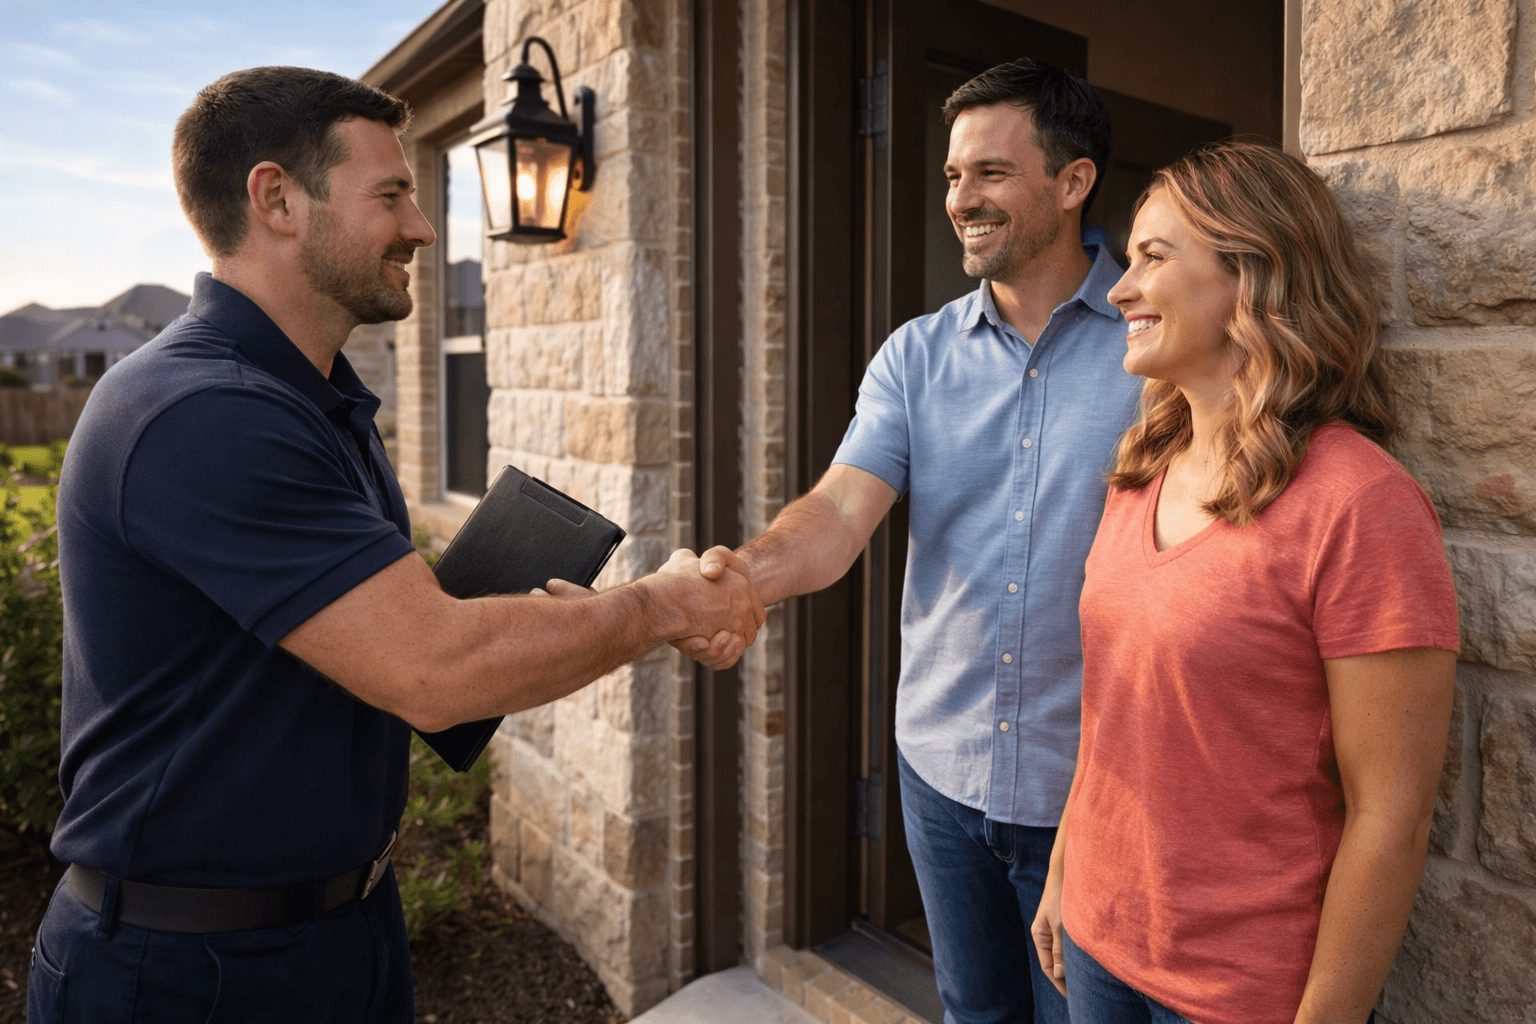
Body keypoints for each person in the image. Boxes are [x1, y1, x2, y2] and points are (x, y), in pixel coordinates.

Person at [29, 66, 761, 1024]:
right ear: (276, 199)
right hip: (193, 973)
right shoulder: (202, 413)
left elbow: (396, 636)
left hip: (344, 929)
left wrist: (518, 627)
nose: (420, 227)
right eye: (392, 194)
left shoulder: (320, 404)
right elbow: (435, 669)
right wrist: (661, 605)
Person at [679, 59, 1137, 1024]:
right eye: (952, 176)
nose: (961, 199)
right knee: (976, 1012)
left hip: (1096, 787)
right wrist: (746, 577)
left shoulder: (1154, 344)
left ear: (1073, 181)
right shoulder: (914, 355)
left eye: (991, 174)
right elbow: (841, 513)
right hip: (944, 772)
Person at [1029, 142, 1458, 1024]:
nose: (1117, 289)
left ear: (1253, 276)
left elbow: (1391, 813)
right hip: (1099, 943)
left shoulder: (1361, 505)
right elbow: (1112, 707)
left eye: (1154, 258)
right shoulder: (1144, 464)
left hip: (1242, 993)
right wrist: (1067, 869)